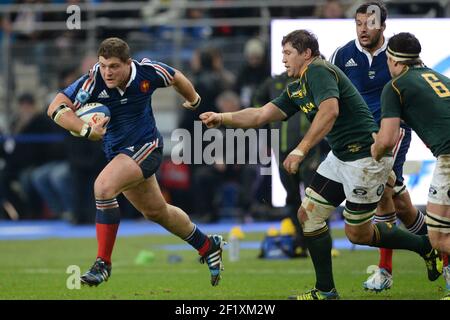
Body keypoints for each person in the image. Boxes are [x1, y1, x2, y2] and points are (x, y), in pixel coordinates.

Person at [200, 29, 442, 300]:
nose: (283, 60)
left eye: (288, 53)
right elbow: (260, 114)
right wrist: (222, 117)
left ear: (306, 54)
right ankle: (326, 291)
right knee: (308, 216)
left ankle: (425, 246)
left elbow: (330, 110)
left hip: (365, 158)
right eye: (283, 53)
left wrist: (300, 150)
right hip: (340, 157)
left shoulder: (318, 70)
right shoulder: (298, 86)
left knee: (357, 234)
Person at [47, 37, 226, 287]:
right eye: (103, 65)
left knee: (103, 187)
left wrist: (194, 99)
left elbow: (175, 77)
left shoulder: (147, 71)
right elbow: (56, 108)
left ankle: (103, 263)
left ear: (127, 63)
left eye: (113, 66)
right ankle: (208, 245)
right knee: (156, 212)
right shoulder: (92, 79)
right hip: (120, 154)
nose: (107, 72)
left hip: (147, 147)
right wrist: (85, 129)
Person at [330, 1, 430, 292]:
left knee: (384, 195)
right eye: (359, 23)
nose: (363, 29)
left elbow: (420, 93)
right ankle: (438, 252)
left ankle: (385, 270)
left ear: (382, 27)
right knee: (401, 206)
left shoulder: (399, 56)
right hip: (359, 139)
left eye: (369, 24)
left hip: (392, 134)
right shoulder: (342, 54)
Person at [371, 32, 450, 299]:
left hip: (449, 157)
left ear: (392, 60)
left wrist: (373, 150)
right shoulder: (440, 78)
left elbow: (387, 138)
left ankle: (385, 271)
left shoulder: (395, 86)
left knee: (439, 239)